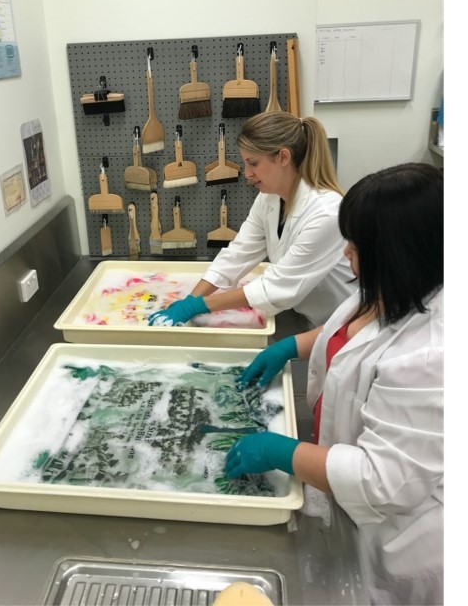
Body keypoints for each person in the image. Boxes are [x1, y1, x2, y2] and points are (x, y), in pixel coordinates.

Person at [225, 162, 444, 606]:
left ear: (399, 253)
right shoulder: (394, 286)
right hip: (345, 501)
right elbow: (353, 331)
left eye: (356, 246)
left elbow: (383, 481)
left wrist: (279, 451)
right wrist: (291, 347)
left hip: (399, 539)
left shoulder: (431, 357)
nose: (346, 255)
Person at [147, 111, 354, 328]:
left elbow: (277, 286)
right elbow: (239, 253)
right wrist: (190, 300)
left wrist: (199, 306)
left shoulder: (325, 214)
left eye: (253, 163)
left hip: (341, 322)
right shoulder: (269, 198)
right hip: (304, 314)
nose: (247, 173)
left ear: (283, 157)